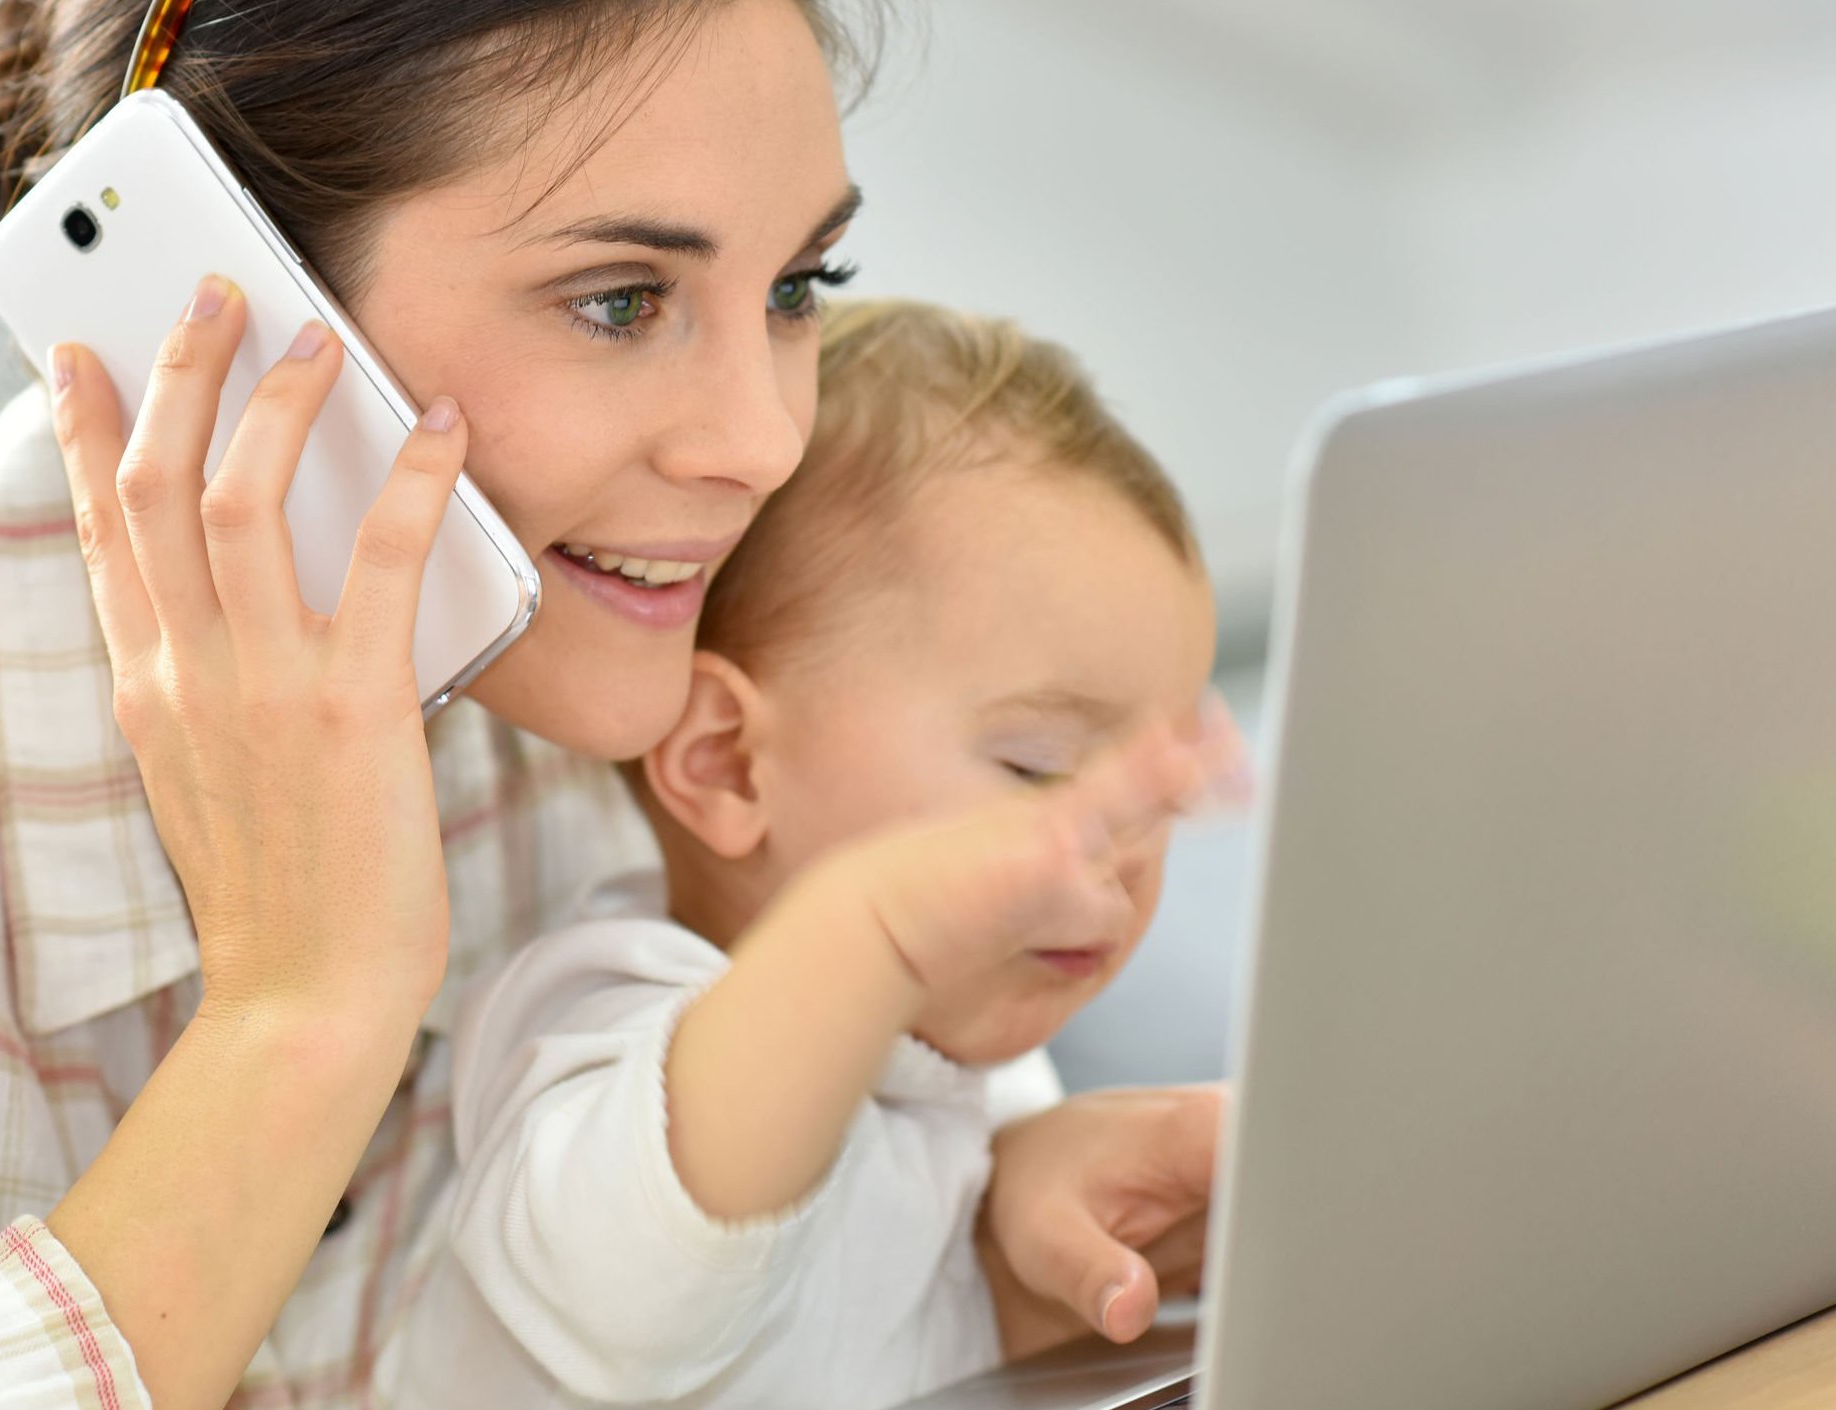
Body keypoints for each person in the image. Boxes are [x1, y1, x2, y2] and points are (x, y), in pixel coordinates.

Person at [0, 5, 1218, 1409]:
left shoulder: (647, 657)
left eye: (798, 284)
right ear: (208, 298)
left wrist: (982, 1220)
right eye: (620, 302)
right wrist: (303, 1015)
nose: (760, 438)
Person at [410, 300, 1238, 1408]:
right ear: (728, 765)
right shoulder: (598, 1019)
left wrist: (1017, 1263)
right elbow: (655, 1278)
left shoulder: (972, 1077)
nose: (1120, 851)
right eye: (1038, 769)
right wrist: (877, 927)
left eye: (1151, 795)